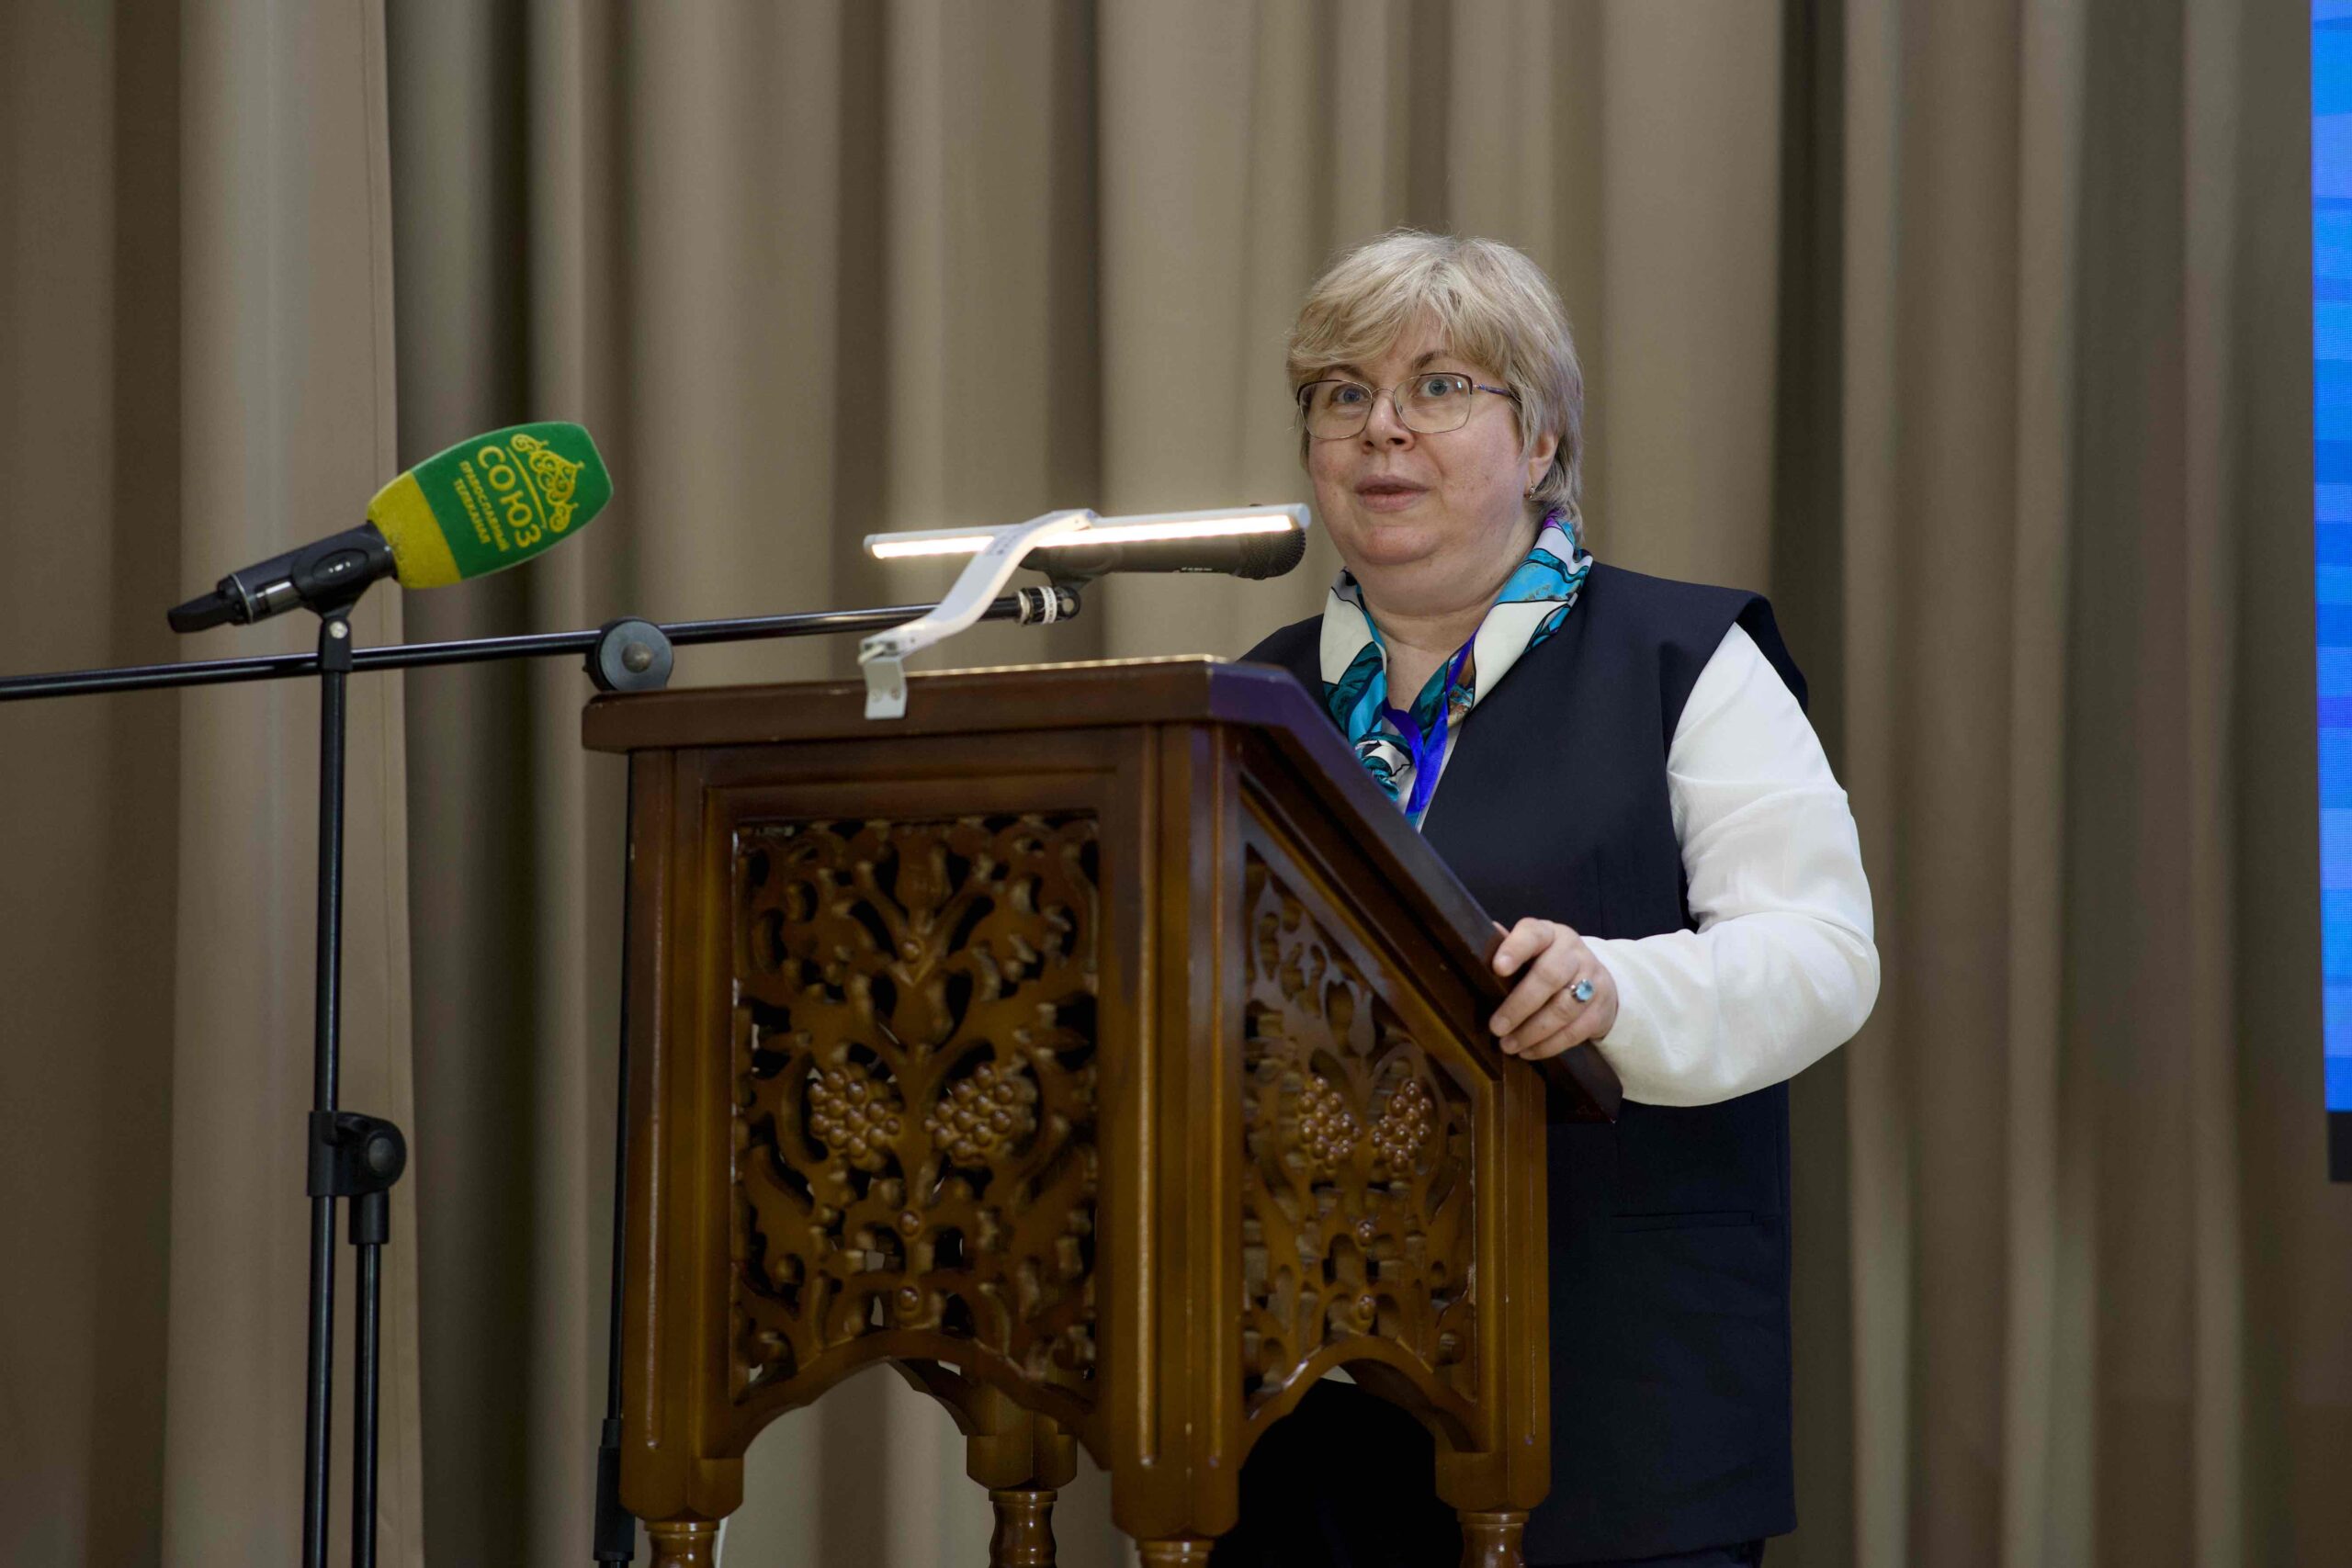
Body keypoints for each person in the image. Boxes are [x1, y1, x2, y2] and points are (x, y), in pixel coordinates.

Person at [1217, 231, 1880, 1568]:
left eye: (1439, 387)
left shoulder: (1683, 658)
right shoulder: (1253, 702)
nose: (1382, 428)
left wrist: (1616, 989)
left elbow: (1820, 955)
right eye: (1342, 395)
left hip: (1613, 1407)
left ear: (1540, 444)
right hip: (1304, 1416)